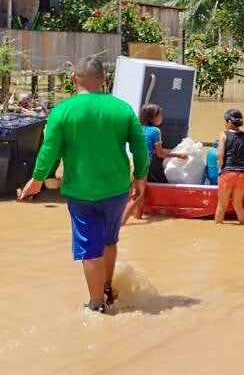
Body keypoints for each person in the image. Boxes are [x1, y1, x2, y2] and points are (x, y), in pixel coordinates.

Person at [17, 57, 149, 313]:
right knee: (110, 241)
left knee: (90, 249)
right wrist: (141, 177)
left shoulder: (62, 112)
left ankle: (96, 304)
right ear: (103, 80)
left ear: (74, 80)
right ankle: (108, 288)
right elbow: (140, 146)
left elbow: (49, 150)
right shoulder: (122, 109)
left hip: (81, 192)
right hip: (117, 189)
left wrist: (36, 180)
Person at [122, 104, 187, 225]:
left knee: (134, 192)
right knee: (139, 195)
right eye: (160, 115)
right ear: (153, 117)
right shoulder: (155, 131)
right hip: (142, 163)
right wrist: (178, 155)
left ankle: (137, 217)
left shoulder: (136, 128)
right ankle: (121, 223)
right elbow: (160, 153)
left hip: (131, 161)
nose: (162, 117)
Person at [216, 109, 244, 225]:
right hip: (242, 174)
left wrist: (220, 167)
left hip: (228, 173)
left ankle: (217, 230)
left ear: (229, 122)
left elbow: (220, 155)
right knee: (238, 206)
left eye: (225, 121)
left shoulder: (224, 134)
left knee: (222, 205)